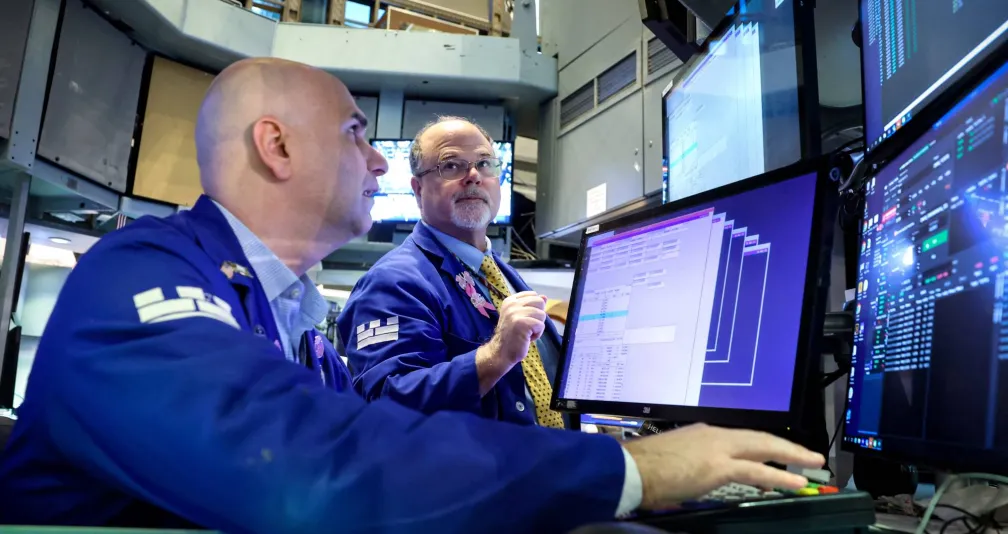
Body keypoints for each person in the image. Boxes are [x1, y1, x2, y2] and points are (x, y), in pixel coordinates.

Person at [0, 57, 824, 533]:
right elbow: (314, 467)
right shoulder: (140, 273)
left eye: (483, 166)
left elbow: (363, 433)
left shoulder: (293, 321)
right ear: (276, 146)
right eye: (357, 133)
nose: (379, 163)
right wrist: (629, 468)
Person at [337, 116, 575, 428]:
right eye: (451, 166)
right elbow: (386, 403)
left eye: (484, 163)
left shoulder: (499, 274)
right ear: (418, 189)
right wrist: (495, 355)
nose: (474, 176)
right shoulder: (392, 283)